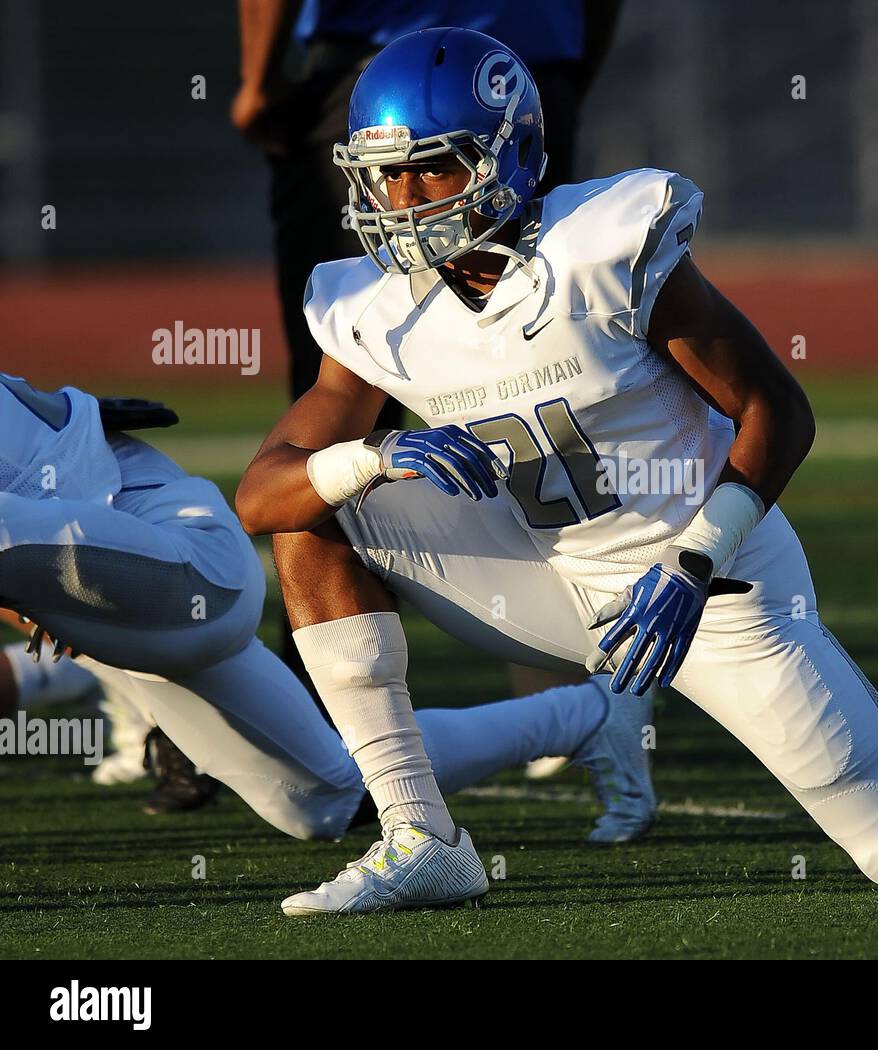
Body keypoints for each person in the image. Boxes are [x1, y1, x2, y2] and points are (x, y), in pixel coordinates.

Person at [237, 26, 878, 918]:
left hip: (704, 582)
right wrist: (365, 457)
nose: (401, 199)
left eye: (431, 168)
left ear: (505, 159)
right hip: (536, 571)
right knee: (317, 511)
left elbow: (776, 410)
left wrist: (696, 560)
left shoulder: (602, 247)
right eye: (383, 175)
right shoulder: (372, 307)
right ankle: (423, 838)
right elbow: (263, 491)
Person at [0, 373, 655, 863]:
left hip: (186, 558)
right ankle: (588, 716)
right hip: (98, 597)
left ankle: (96, 693)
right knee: (320, 800)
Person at [232, 0, 622, 701]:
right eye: (393, 186)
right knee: (332, 462)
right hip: (530, 64)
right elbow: (268, 495)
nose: (406, 200)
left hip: (376, 65)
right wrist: (562, 72)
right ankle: (566, 698)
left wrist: (258, 83)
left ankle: (314, 713)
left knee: (328, 451)